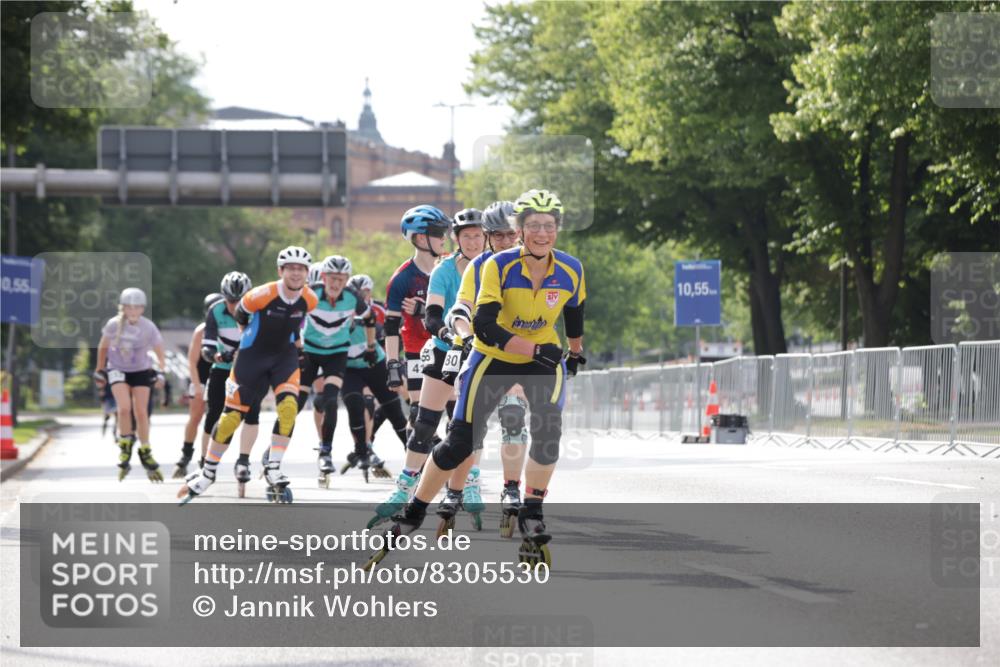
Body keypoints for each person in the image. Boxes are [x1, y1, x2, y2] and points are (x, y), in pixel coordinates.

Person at [380, 189, 587, 568]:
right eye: (532, 227)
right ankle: (415, 509)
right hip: (491, 355)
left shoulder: (571, 267)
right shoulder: (491, 266)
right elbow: (481, 322)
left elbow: (574, 313)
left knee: (548, 430)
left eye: (549, 226)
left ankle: (531, 509)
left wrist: (574, 352)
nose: (541, 233)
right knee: (460, 440)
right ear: (519, 230)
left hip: (542, 357)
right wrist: (463, 336)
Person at [178, 247, 318, 504]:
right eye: (291, 268)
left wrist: (298, 348)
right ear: (281, 271)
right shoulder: (261, 294)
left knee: (288, 408)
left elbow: (295, 323)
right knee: (231, 418)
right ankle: (208, 472)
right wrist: (251, 340)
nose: (296, 273)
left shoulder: (310, 299)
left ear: (307, 273)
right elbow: (241, 316)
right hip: (251, 357)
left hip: (283, 357)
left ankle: (273, 467)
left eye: (301, 269)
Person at [448, 200, 532, 536]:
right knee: (469, 431)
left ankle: (511, 487)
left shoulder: (535, 264)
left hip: (517, 353)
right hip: (482, 351)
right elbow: (461, 308)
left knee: (514, 417)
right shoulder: (478, 266)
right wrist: (465, 335)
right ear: (487, 236)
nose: (505, 241)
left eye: (511, 234)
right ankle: (455, 490)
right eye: (497, 235)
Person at [409, 207, 487, 533]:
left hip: (480, 355)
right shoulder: (443, 271)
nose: (472, 241)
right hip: (447, 351)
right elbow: (432, 315)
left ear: (485, 238)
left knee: (466, 431)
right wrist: (449, 334)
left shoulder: (495, 269)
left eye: (477, 236)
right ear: (456, 238)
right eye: (466, 236)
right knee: (425, 423)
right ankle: (407, 486)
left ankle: (458, 490)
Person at [371, 205, 450, 522]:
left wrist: (424, 311)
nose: (444, 238)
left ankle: (446, 465)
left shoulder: (451, 269)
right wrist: (392, 363)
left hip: (450, 347)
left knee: (456, 419)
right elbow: (390, 327)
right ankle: (423, 472)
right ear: (419, 238)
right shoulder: (402, 278)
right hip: (418, 351)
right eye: (437, 233)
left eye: (445, 233)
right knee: (420, 417)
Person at [300, 254, 376, 487]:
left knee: (330, 400)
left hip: (336, 354)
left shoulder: (352, 298)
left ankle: (325, 453)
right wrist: (293, 345)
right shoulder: (310, 294)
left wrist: (371, 347)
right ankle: (272, 452)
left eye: (341, 279)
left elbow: (370, 318)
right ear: (323, 277)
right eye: (332, 278)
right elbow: (291, 317)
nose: (336, 284)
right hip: (311, 352)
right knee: (296, 401)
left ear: (346, 280)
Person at [192, 272, 258, 496]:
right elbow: (207, 346)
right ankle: (204, 464)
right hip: (222, 369)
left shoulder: (257, 309)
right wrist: (217, 356)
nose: (234, 307)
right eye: (230, 301)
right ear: (224, 298)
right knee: (214, 415)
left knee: (251, 414)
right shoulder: (215, 311)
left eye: (239, 302)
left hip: (249, 369)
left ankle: (243, 461)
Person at [94, 287, 168, 482]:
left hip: (141, 370)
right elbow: (102, 347)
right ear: (123, 308)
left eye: (137, 308)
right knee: (124, 408)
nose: (133, 312)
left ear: (142, 309)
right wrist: (99, 369)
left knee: (141, 412)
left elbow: (160, 350)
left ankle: (145, 447)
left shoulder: (148, 327)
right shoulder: (113, 325)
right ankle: (125, 443)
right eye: (129, 308)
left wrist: (161, 371)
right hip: (117, 369)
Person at [173, 292, 222, 479]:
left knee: (216, 417)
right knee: (195, 415)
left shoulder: (229, 327)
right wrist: (197, 386)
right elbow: (192, 361)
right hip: (200, 375)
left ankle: (207, 459)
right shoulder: (201, 330)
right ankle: (185, 455)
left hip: (221, 374)